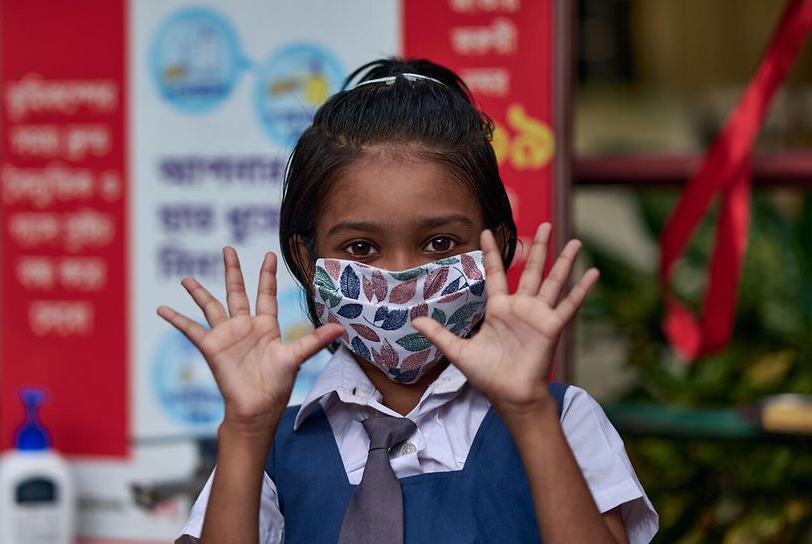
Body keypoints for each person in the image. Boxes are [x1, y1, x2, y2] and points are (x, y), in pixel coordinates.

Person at [157, 58, 658, 544]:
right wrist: (245, 429)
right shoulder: (268, 446)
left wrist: (527, 413)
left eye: (440, 242)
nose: (398, 276)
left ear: (495, 245)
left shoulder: (561, 417)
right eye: (362, 248)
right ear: (308, 261)